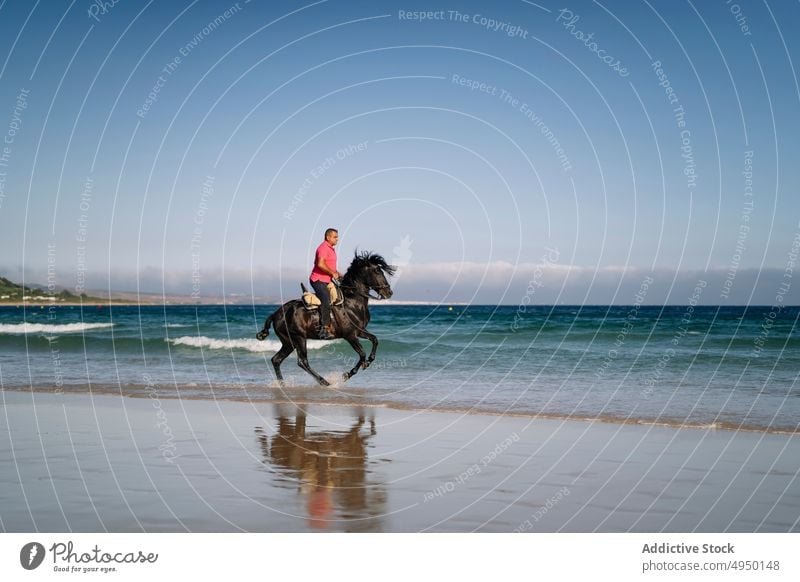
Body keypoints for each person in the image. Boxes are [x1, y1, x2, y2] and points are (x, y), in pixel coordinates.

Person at [310, 228, 341, 339]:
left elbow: (329, 266)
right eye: (335, 237)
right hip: (318, 280)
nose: (337, 239)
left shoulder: (331, 249)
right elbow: (320, 264)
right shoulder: (323, 248)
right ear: (328, 237)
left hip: (327, 280)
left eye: (337, 237)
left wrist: (337, 273)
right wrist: (333, 272)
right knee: (326, 300)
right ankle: (324, 329)